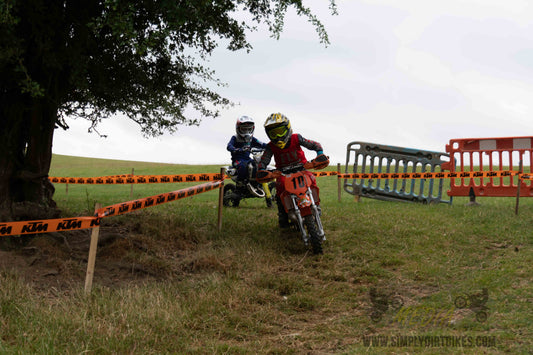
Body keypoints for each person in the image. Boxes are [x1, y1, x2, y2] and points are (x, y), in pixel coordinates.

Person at [258, 112, 326, 227]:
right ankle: (283, 214)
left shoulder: (296, 138)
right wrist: (261, 169)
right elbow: (264, 160)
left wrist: (320, 154)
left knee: (311, 178)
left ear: (288, 128)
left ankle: (316, 204)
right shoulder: (270, 146)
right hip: (283, 173)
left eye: (280, 132)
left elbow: (315, 144)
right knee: (280, 187)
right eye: (273, 134)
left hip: (302, 168)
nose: (278, 137)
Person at [227, 116, 267, 194]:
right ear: (238, 128)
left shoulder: (252, 139)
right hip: (237, 160)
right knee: (242, 166)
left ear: (253, 128)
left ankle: (256, 183)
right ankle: (240, 184)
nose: (247, 131)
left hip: (248, 159)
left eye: (249, 129)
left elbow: (262, 144)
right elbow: (229, 146)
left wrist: (271, 146)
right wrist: (237, 149)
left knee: (257, 165)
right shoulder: (235, 137)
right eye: (244, 129)